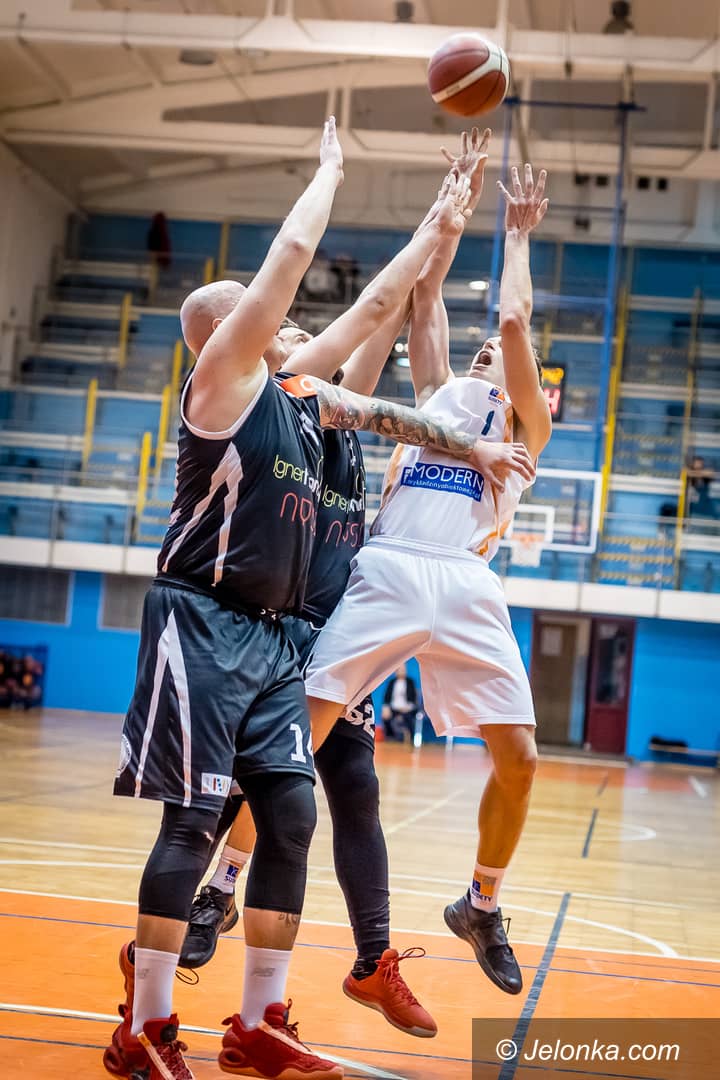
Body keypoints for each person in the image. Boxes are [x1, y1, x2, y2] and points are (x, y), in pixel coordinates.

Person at [105, 118, 510, 1080]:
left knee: (292, 816)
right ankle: (147, 1026)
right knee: (193, 822)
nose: (296, 330)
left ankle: (258, 1022)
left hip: (287, 639)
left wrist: (442, 221)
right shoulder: (223, 384)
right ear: (236, 333)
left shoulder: (307, 399)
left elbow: (376, 314)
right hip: (204, 622)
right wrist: (329, 171)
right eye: (280, 324)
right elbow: (293, 260)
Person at [304, 145, 551, 999]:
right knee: (298, 734)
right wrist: (455, 205)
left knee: (520, 759)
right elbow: (427, 296)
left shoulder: (526, 423)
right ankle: (222, 886)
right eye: (478, 350)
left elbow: (512, 323)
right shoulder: (437, 395)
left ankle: (481, 904)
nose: (487, 350)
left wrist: (516, 235)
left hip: (466, 578)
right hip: (391, 565)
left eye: (500, 355)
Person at [381, 664, 420, 742]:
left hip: (407, 708)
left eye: (403, 669)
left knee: (409, 718)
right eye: (399, 670)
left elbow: (414, 698)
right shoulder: (392, 682)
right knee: (385, 715)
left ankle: (411, 739)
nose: (402, 671)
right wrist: (385, 707)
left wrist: (408, 707)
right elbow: (387, 697)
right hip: (394, 708)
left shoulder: (410, 682)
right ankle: (390, 737)